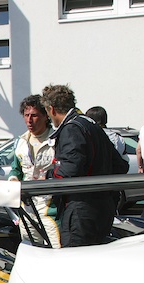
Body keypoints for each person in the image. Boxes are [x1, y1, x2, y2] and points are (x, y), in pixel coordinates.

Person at [41, 84, 129, 247]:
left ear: (51, 110)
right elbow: (120, 165)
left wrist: (46, 177)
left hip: (81, 210)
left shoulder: (71, 128)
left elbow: (69, 171)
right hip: (104, 207)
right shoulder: (90, 124)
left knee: (74, 261)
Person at [8, 94, 60, 247]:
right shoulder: (21, 141)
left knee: (58, 250)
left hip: (51, 208)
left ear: (45, 116)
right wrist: (13, 181)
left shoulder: (57, 139)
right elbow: (15, 170)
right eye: (26, 115)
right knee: (31, 249)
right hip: (27, 208)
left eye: (34, 115)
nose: (29, 120)